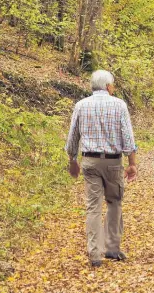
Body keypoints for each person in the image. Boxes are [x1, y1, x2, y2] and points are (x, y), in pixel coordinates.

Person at [65, 70, 137, 267]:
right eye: (112, 85)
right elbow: (128, 137)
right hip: (113, 162)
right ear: (108, 86)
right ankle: (112, 248)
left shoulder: (81, 105)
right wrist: (132, 163)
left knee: (93, 207)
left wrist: (73, 160)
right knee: (114, 202)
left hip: (90, 162)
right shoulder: (119, 105)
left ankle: (95, 253)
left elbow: (73, 136)